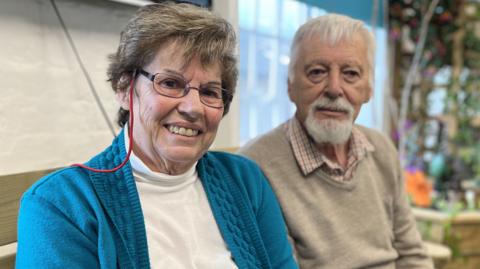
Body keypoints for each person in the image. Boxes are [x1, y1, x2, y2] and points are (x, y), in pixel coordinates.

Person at [16, 3, 297, 269]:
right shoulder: (60, 205)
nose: (193, 108)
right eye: (171, 84)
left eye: (210, 92)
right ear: (125, 88)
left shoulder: (245, 180)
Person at [239, 14, 433, 269]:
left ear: (368, 90)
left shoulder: (381, 148)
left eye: (350, 74)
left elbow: (412, 255)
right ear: (290, 85)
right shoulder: (255, 167)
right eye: (317, 72)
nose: (334, 88)